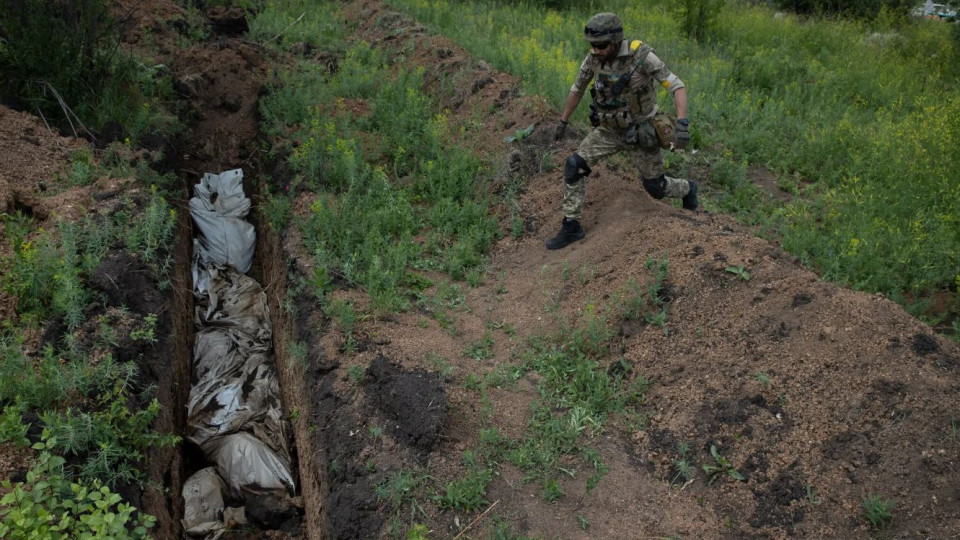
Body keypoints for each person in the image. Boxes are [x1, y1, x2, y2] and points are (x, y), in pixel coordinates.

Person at [547, 12, 697, 250]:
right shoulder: (593, 59)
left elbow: (677, 86)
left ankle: (688, 188)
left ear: (615, 40)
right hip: (608, 130)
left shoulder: (642, 57)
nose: (596, 50)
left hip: (641, 132)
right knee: (575, 165)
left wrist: (682, 123)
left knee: (655, 188)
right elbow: (577, 89)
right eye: (592, 45)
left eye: (602, 45)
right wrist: (563, 121)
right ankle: (571, 226)